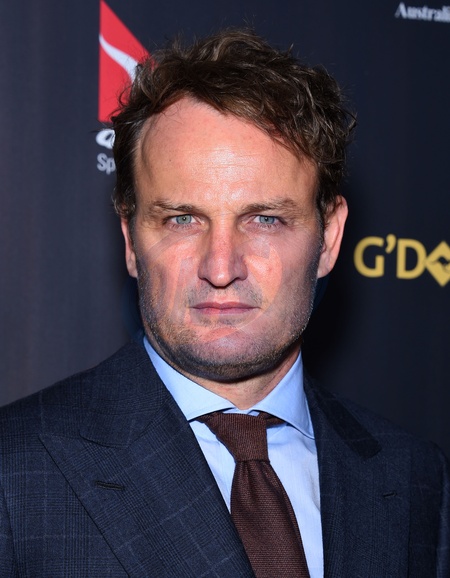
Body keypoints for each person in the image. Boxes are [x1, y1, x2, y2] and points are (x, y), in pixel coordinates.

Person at [0, 29, 448, 578]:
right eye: (182, 219)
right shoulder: (14, 472)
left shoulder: (416, 478)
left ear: (329, 238)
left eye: (265, 220)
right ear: (131, 240)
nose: (220, 268)